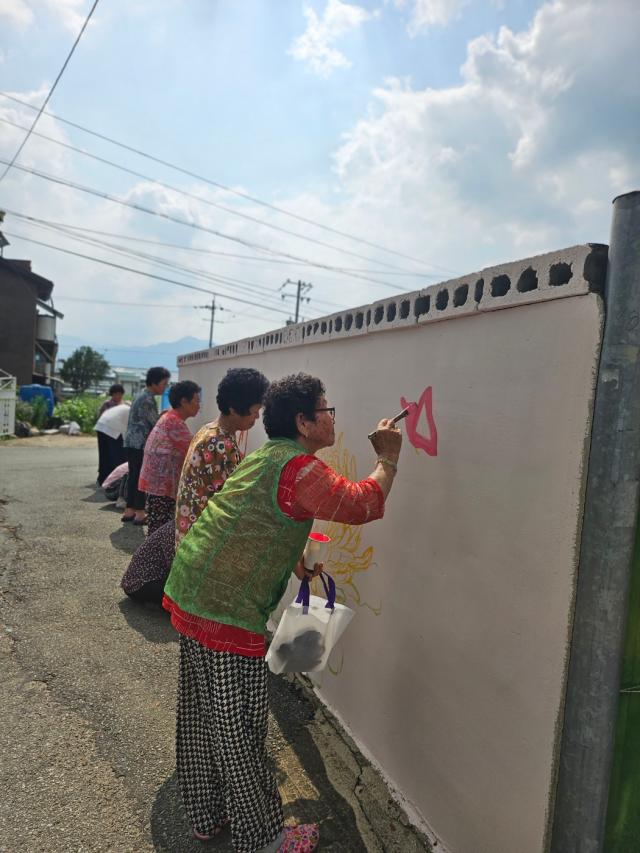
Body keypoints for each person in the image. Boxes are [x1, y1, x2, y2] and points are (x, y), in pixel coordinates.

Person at [163, 373, 403, 853]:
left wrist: (290, 556)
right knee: (240, 727)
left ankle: (207, 815)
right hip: (226, 608)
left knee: (200, 714)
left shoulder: (266, 458)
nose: (332, 417)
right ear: (304, 421)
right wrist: (388, 457)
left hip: (193, 588)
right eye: (326, 410)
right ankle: (263, 838)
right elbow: (363, 502)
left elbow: (254, 516)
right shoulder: (300, 469)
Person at [120, 367, 269, 603]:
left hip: (187, 532)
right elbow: (234, 500)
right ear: (233, 408)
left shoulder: (208, 430)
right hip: (200, 542)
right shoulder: (220, 443)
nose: (257, 418)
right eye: (254, 412)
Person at [138, 380, 201, 535]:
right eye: (196, 401)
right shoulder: (174, 422)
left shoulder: (170, 417)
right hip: (162, 485)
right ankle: (155, 558)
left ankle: (154, 557)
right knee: (162, 530)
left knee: (158, 527)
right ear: (184, 402)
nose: (199, 405)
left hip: (157, 484)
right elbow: (196, 450)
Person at [122, 367, 171, 525]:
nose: (165, 387)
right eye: (164, 383)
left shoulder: (140, 395)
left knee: (133, 476)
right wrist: (164, 415)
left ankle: (129, 510)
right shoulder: (148, 399)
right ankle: (140, 513)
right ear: (154, 383)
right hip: (140, 443)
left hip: (131, 441)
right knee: (141, 477)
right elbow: (155, 422)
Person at [95, 384, 126, 485]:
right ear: (112, 394)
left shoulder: (125, 404)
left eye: (120, 394)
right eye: (115, 394)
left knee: (116, 455)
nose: (118, 396)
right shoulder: (107, 404)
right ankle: (103, 477)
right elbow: (101, 418)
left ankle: (113, 478)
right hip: (105, 432)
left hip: (117, 433)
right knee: (105, 454)